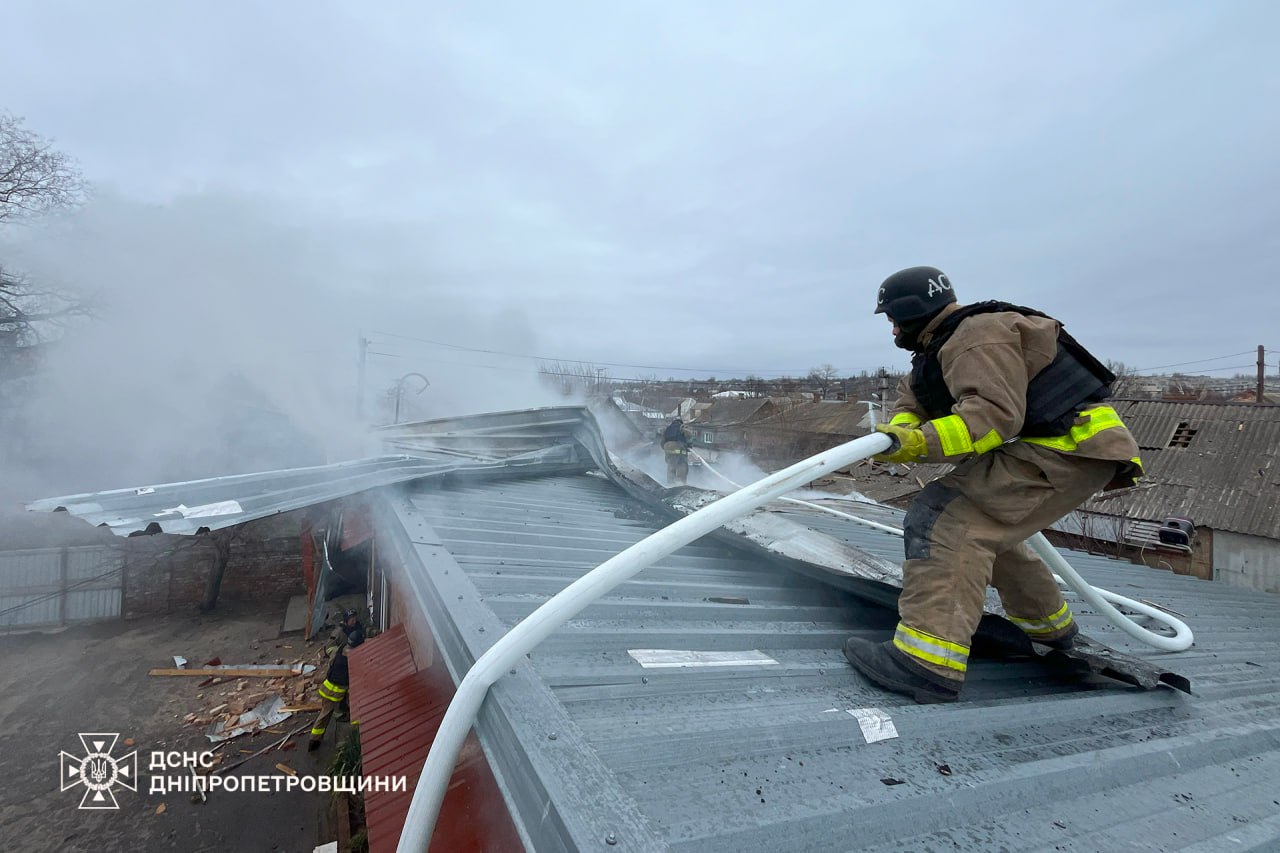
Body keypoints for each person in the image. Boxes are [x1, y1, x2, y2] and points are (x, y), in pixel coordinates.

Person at [842, 266, 1143, 704]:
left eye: (892, 319)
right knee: (987, 528)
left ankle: (925, 662)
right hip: (1060, 447)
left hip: (1066, 447)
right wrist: (897, 432)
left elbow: (994, 418)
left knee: (945, 518)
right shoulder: (939, 347)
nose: (891, 330)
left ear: (912, 311)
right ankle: (1047, 628)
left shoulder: (975, 336)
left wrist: (917, 445)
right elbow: (914, 403)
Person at [309, 624, 363, 751]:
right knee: (354, 712)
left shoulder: (341, 648)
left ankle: (314, 740)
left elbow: (331, 663)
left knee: (324, 715)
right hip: (337, 693)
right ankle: (356, 739)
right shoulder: (353, 658)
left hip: (326, 687)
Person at [660, 418, 693, 485]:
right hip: (680, 448)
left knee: (671, 467)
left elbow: (662, 443)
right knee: (682, 466)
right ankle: (681, 483)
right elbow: (688, 434)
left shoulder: (668, 429)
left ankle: (670, 483)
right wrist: (689, 444)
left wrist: (667, 449)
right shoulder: (682, 426)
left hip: (668, 449)